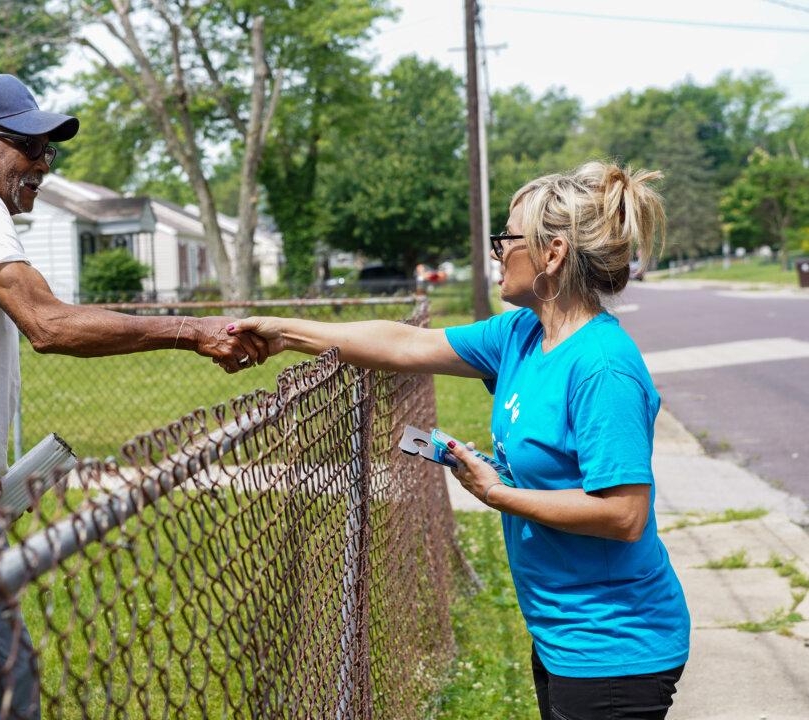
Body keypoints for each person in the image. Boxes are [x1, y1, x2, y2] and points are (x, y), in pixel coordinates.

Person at [0, 74, 267, 720]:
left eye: (49, 150)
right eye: (27, 145)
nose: (43, 163)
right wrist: (192, 330)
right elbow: (48, 324)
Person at [227, 162, 691, 720]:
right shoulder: (521, 335)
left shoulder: (601, 367)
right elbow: (402, 345)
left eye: (508, 238)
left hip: (615, 645)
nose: (497, 252)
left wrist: (496, 492)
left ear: (552, 254)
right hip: (562, 630)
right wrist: (287, 332)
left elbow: (623, 514)